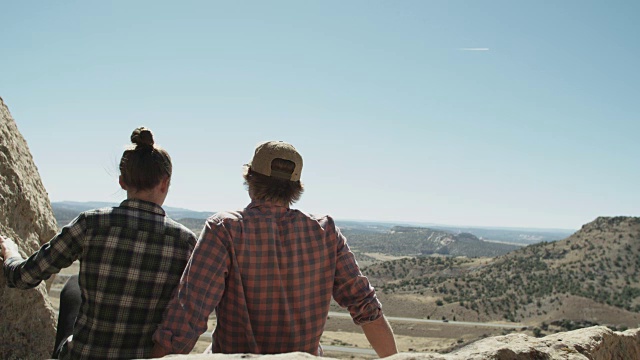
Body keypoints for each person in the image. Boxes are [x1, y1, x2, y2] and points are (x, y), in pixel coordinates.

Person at [152, 141, 398, 358]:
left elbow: (189, 314)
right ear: (296, 187)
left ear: (250, 179)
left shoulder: (224, 228)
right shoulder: (325, 231)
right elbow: (366, 306)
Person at [0, 127, 197, 360]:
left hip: (84, 355)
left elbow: (24, 277)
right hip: (142, 356)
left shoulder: (91, 223)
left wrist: (10, 253)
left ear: (122, 181)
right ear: (165, 183)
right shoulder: (185, 242)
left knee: (73, 286)